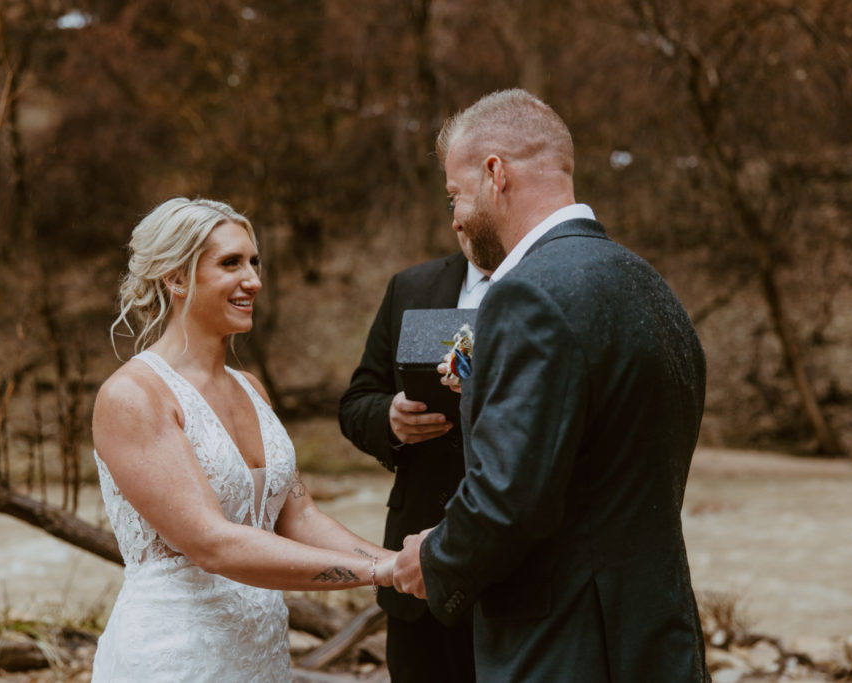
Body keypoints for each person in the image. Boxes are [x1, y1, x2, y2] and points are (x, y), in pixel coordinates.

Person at [392, 89, 710, 681]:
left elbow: (508, 498)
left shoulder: (526, 295)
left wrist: (432, 559)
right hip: (657, 637)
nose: (455, 217)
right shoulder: (647, 283)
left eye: (455, 196)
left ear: (495, 174)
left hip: (569, 649)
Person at [90, 197, 396, 682]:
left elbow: (301, 516)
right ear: (176, 278)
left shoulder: (251, 389)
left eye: (254, 262)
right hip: (173, 658)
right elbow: (213, 544)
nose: (253, 280)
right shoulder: (133, 396)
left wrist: (398, 562)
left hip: (261, 657)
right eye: (230, 263)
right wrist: (377, 575)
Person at [339, 230, 488, 682]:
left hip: (512, 575)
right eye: (452, 204)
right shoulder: (411, 286)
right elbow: (356, 400)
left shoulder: (545, 285)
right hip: (413, 571)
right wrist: (389, 418)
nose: (459, 220)